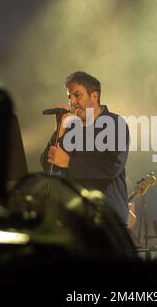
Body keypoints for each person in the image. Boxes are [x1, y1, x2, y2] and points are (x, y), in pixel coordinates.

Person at [41, 71, 130, 225]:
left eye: (78, 95)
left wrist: (69, 162)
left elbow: (111, 166)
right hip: (75, 219)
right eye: (70, 97)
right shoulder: (71, 128)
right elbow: (48, 165)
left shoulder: (115, 123)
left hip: (107, 219)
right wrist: (59, 132)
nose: (72, 102)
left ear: (94, 97)